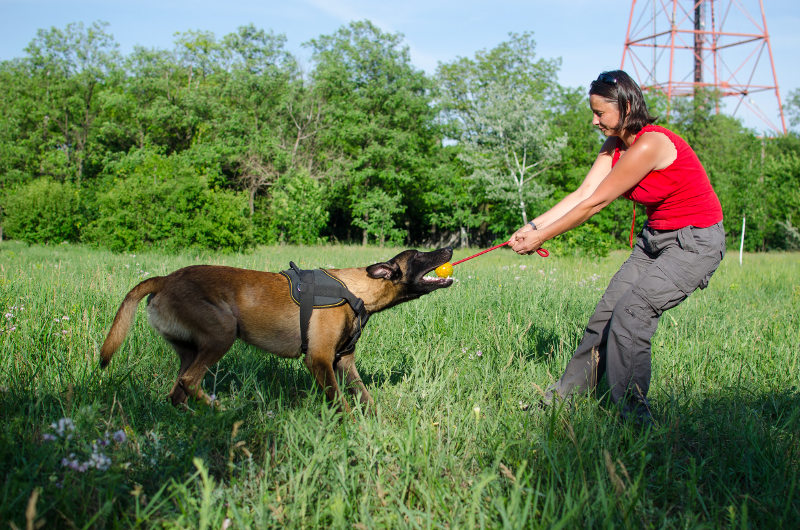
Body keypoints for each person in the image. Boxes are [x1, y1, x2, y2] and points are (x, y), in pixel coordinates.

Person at [509, 70, 725, 424]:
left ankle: (635, 419)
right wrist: (534, 226)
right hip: (654, 240)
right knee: (604, 317)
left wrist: (543, 238)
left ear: (625, 106)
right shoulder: (614, 146)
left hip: (695, 241)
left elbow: (596, 204)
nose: (594, 121)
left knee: (633, 313)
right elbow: (582, 194)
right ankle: (560, 403)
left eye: (600, 113)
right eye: (593, 113)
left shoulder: (650, 145)